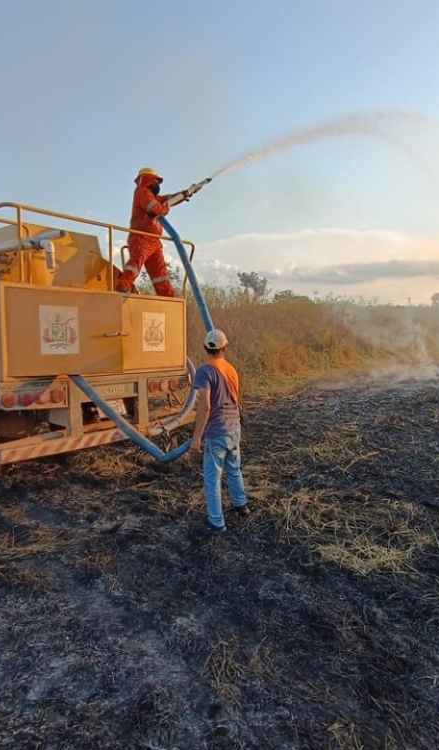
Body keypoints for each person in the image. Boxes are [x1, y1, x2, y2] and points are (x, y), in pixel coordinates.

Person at [191, 328, 249, 534]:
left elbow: (205, 406)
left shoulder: (204, 371)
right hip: (234, 427)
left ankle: (217, 523)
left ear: (205, 347)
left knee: (212, 479)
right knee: (234, 469)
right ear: (224, 347)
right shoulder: (231, 369)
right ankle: (241, 504)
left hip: (217, 431)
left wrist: (196, 438)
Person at [116, 167, 177, 297]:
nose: (157, 184)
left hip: (154, 241)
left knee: (160, 273)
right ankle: (123, 287)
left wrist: (185, 194)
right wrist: (165, 208)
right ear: (148, 180)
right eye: (155, 181)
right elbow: (154, 208)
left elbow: (166, 199)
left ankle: (168, 297)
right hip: (141, 238)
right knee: (135, 263)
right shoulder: (142, 192)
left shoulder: (151, 195)